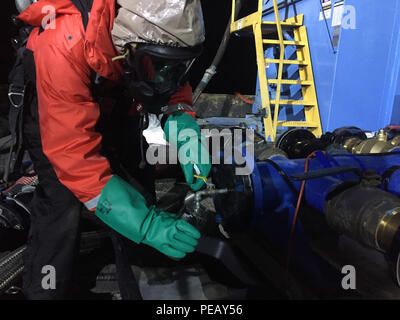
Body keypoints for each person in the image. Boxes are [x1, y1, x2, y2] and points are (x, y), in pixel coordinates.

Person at [15, 0, 211, 299]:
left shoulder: (145, 50)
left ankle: (143, 281)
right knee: (61, 200)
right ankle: (45, 290)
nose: (165, 75)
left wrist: (182, 122)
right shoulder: (62, 42)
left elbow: (170, 76)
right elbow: (73, 155)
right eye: (156, 65)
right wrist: (145, 225)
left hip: (115, 98)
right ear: (126, 47)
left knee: (137, 179)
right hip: (56, 106)